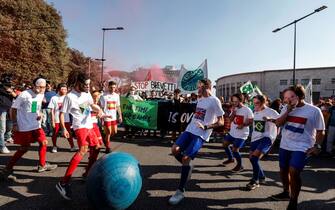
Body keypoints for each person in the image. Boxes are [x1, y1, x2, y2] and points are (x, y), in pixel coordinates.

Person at [168, 79, 224, 205]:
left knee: (186, 157)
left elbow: (221, 122)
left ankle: (180, 191)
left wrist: (206, 127)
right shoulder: (200, 99)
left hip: (201, 134)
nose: (196, 88)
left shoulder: (215, 100)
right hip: (190, 129)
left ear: (205, 87)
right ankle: (187, 167)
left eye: (198, 86)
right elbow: (198, 115)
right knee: (174, 150)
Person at [270, 85, 325, 210]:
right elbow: (278, 123)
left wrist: (318, 145)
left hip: (303, 146)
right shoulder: (285, 108)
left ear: (300, 96)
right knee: (283, 170)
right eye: (285, 98)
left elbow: (321, 131)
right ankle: (285, 192)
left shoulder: (314, 111)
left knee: (294, 171)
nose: (288, 100)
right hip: (285, 144)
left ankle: (294, 201)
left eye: (292, 97)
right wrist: (288, 110)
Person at [56, 71, 103, 200]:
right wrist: (63, 128)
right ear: (78, 83)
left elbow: (89, 105)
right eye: (85, 84)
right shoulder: (69, 97)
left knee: (97, 148)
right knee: (83, 150)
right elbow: (62, 113)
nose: (88, 87)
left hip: (89, 125)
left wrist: (99, 110)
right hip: (79, 127)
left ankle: (87, 174)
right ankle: (63, 183)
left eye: (89, 84)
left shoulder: (87, 93)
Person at [0, 77, 57, 181]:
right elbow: (13, 109)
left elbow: (35, 106)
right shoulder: (24, 94)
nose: (42, 89)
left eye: (44, 87)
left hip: (36, 125)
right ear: (34, 85)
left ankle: (42, 165)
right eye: (40, 87)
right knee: (24, 148)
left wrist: (39, 113)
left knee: (44, 142)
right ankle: (7, 169)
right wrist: (14, 123)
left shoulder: (41, 94)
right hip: (24, 126)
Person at [246, 95, 279, 190]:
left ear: (263, 102)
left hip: (267, 138)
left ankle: (255, 181)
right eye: (254, 103)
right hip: (255, 138)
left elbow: (280, 122)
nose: (255, 105)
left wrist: (270, 120)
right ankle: (262, 177)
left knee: (254, 158)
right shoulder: (255, 111)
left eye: (257, 103)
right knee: (252, 158)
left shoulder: (271, 112)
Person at [222, 93, 253, 172]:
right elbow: (230, 119)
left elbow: (251, 121)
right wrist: (234, 112)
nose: (234, 103)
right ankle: (231, 159)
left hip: (241, 134)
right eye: (233, 101)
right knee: (225, 144)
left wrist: (244, 124)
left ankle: (240, 165)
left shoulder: (247, 109)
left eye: (236, 101)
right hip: (233, 132)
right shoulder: (234, 109)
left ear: (241, 100)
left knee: (235, 150)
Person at [48, 83, 77, 153]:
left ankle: (72, 146)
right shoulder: (54, 98)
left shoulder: (68, 97)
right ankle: (54, 146)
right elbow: (51, 110)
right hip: (57, 119)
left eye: (65, 89)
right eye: (62, 89)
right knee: (55, 133)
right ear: (58, 89)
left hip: (66, 119)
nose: (64, 91)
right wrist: (52, 120)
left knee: (68, 132)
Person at [99, 81, 122, 153]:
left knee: (114, 132)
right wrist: (102, 117)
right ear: (108, 87)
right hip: (106, 116)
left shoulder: (117, 95)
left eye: (114, 87)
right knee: (108, 132)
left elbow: (118, 106)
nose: (113, 89)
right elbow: (101, 107)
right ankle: (108, 147)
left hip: (114, 117)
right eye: (111, 87)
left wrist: (120, 116)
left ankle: (105, 138)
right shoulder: (103, 96)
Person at [0, 73, 16, 153]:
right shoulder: (1, 87)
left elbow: (16, 96)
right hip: (1, 108)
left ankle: (7, 137)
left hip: (9, 109)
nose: (10, 81)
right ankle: (2, 146)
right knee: (2, 128)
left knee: (9, 126)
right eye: (8, 79)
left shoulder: (11, 88)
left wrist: (11, 91)